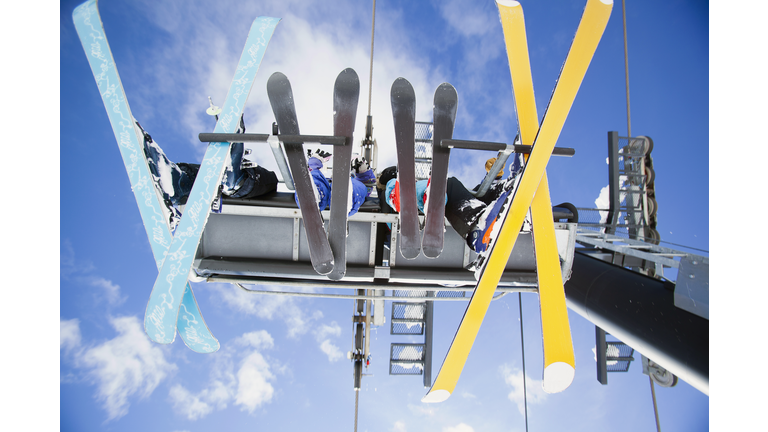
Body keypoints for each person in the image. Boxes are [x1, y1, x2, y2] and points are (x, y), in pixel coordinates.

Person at [137, 120, 278, 233]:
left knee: (271, 182)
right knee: (205, 179)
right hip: (232, 194)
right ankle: (178, 183)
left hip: (258, 190)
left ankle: (233, 178)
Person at [378, 157, 521, 253]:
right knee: (449, 185)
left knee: (472, 193)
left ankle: (502, 188)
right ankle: (476, 227)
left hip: (419, 203)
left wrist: (491, 177)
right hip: (415, 202)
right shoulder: (389, 188)